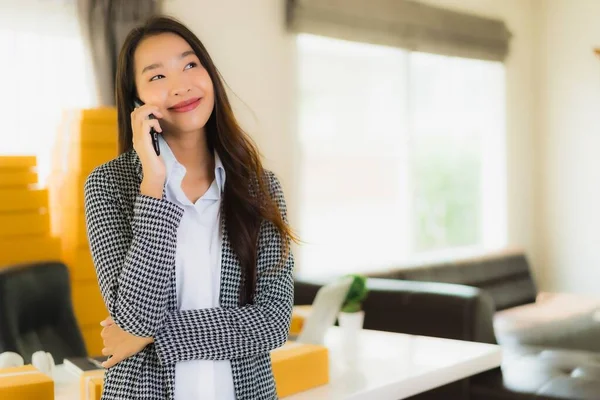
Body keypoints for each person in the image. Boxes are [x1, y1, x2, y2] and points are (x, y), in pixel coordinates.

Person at [83, 15, 296, 400]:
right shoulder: (108, 186)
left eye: (189, 65)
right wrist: (154, 184)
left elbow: (273, 322)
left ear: (209, 75)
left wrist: (148, 338)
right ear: (136, 100)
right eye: (157, 77)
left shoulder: (260, 188)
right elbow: (134, 317)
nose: (180, 86)